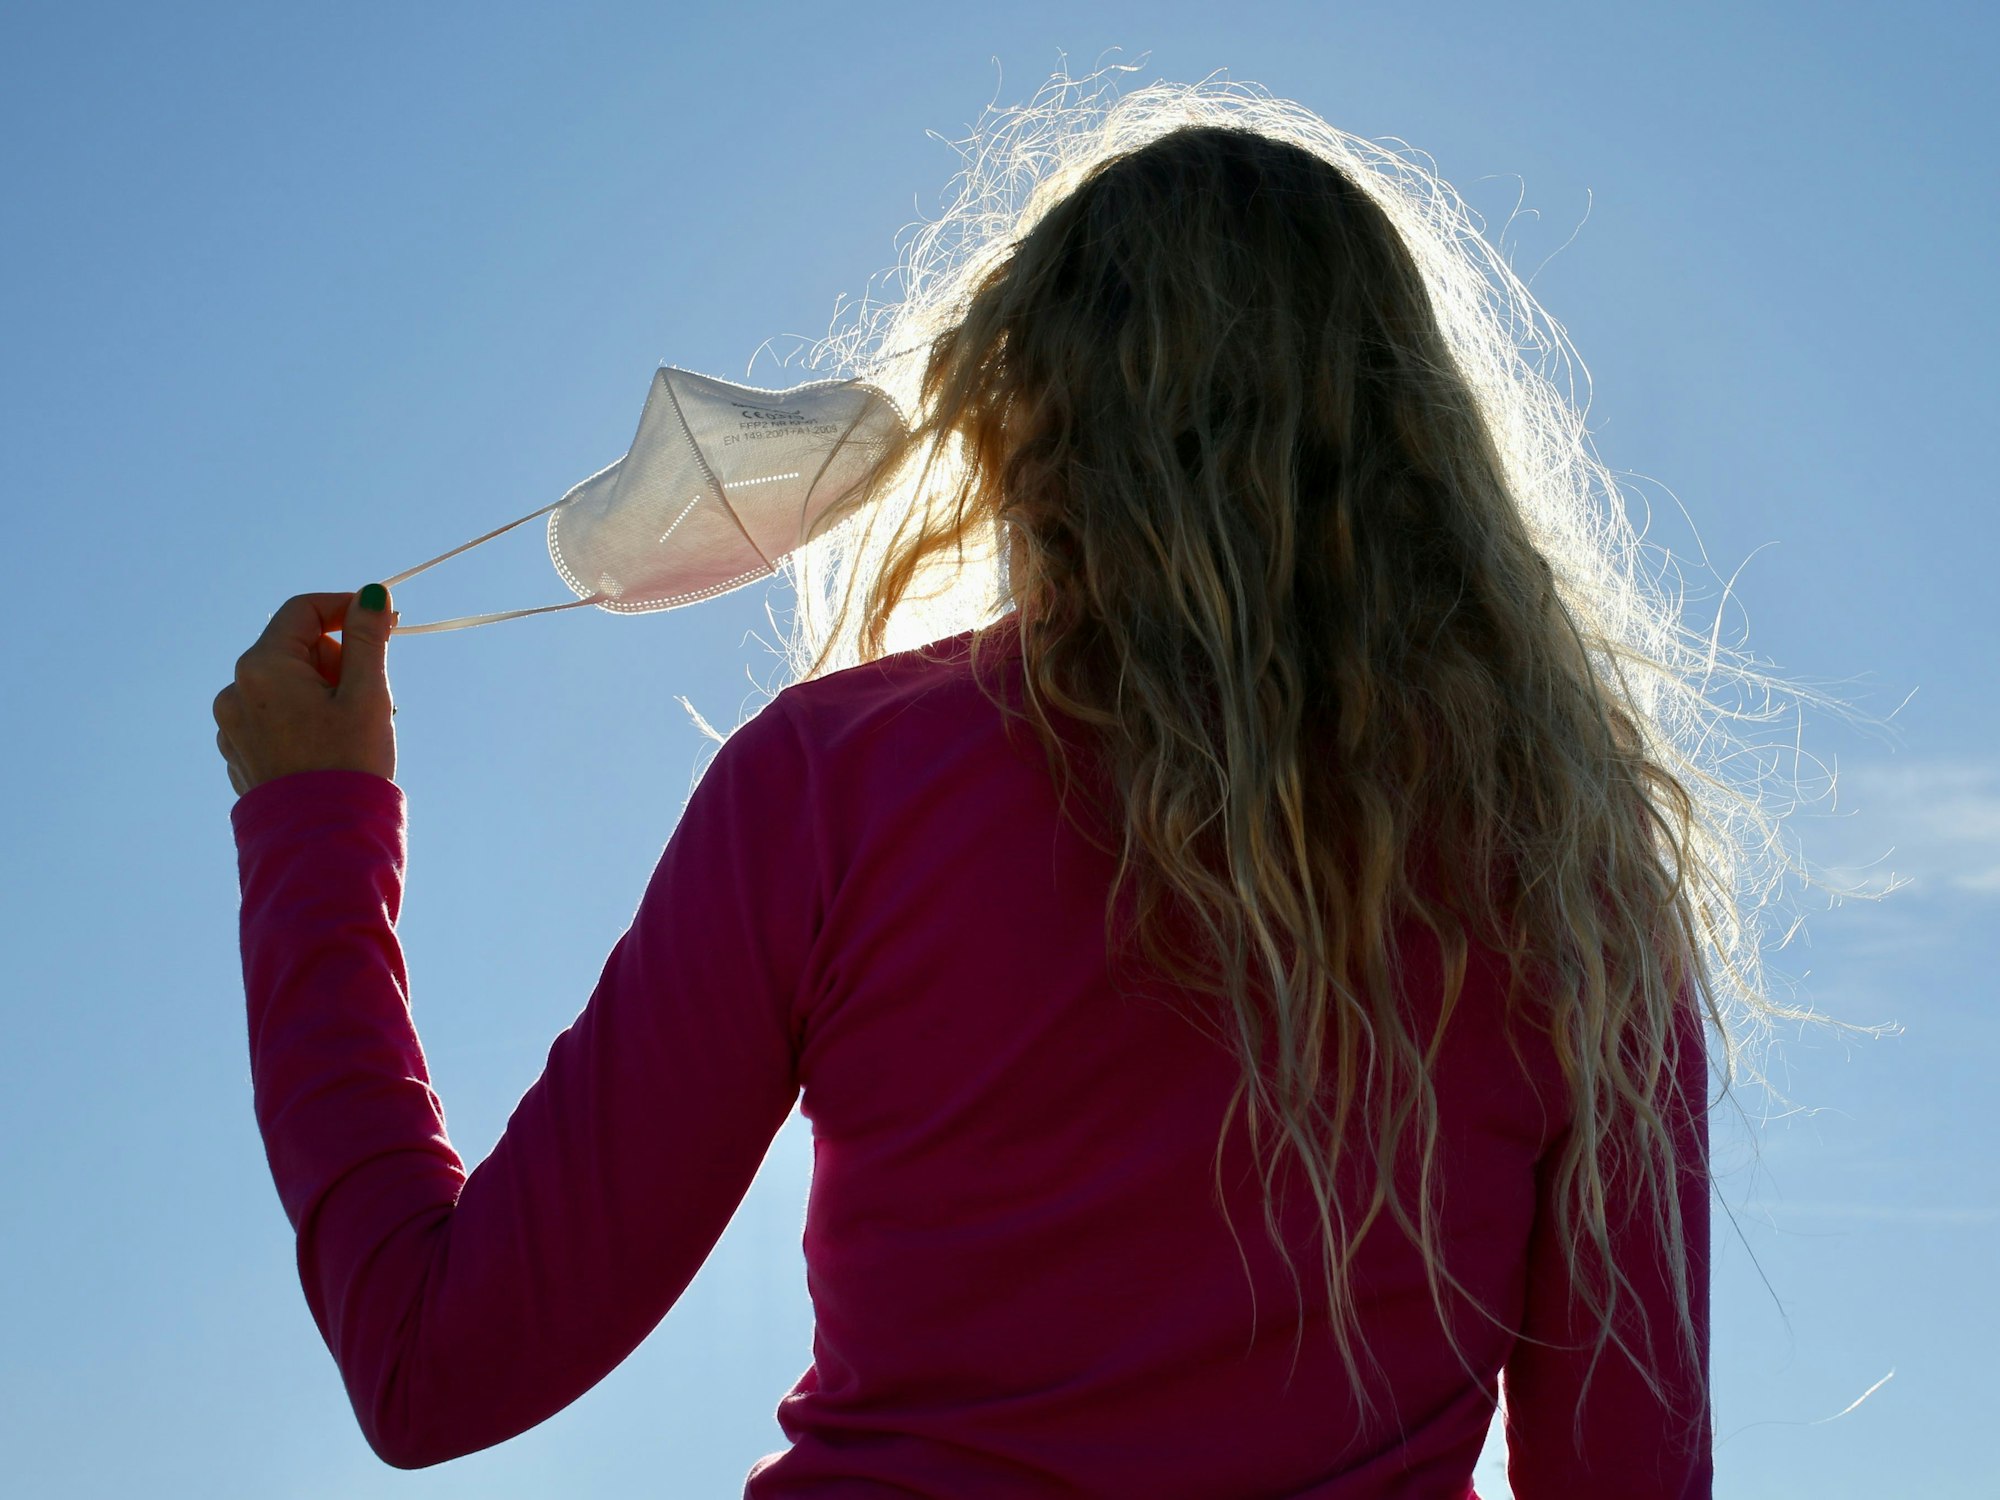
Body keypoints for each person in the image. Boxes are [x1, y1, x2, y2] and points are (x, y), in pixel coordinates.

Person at [214, 80, 1791, 1498]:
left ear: (1020, 420)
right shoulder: (1575, 887)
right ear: (1420, 452)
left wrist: (311, 825)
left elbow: (436, 1365)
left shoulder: (840, 783)